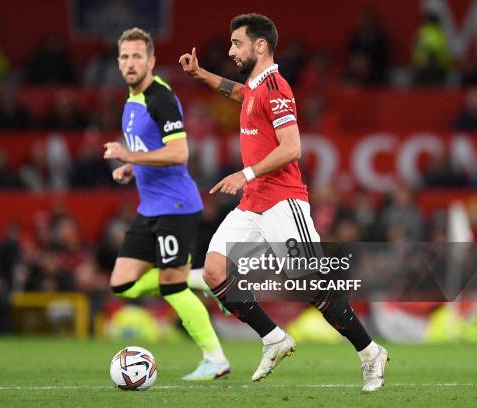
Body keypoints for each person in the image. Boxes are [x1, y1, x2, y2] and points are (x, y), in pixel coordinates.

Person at [179, 13, 388, 392]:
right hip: (253, 202)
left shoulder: (276, 86)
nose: (231, 50)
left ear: (260, 46)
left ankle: (371, 352)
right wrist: (201, 75)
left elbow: (292, 148)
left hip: (282, 202)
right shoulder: (255, 87)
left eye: (236, 43)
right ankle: (274, 338)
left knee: (312, 285)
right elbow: (240, 94)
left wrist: (245, 173)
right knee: (213, 271)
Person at [103, 27, 230, 380]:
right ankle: (199, 277)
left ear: (151, 61)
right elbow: (151, 149)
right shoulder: (131, 101)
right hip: (150, 208)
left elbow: (179, 152)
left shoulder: (159, 97)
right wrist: (132, 165)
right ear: (118, 62)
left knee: (173, 288)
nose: (131, 63)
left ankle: (215, 358)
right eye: (125, 57)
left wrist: (128, 154)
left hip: (176, 205)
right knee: (123, 284)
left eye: (137, 56)